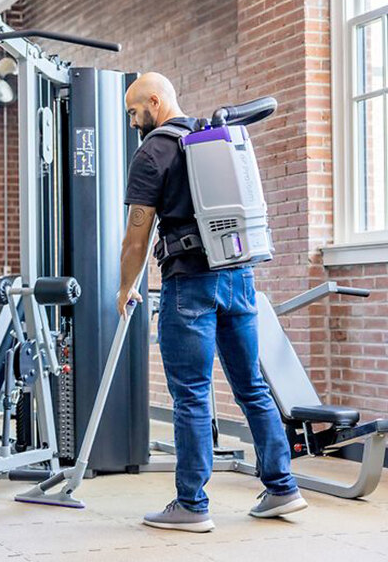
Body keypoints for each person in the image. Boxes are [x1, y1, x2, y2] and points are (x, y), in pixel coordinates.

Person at [116, 72, 307, 533]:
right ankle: (283, 488)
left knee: (191, 397)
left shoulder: (153, 152)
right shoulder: (212, 138)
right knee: (252, 387)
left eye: (133, 112)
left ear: (155, 103)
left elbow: (136, 235)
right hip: (239, 276)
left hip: (190, 286)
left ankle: (191, 504)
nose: (131, 122)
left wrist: (125, 286)